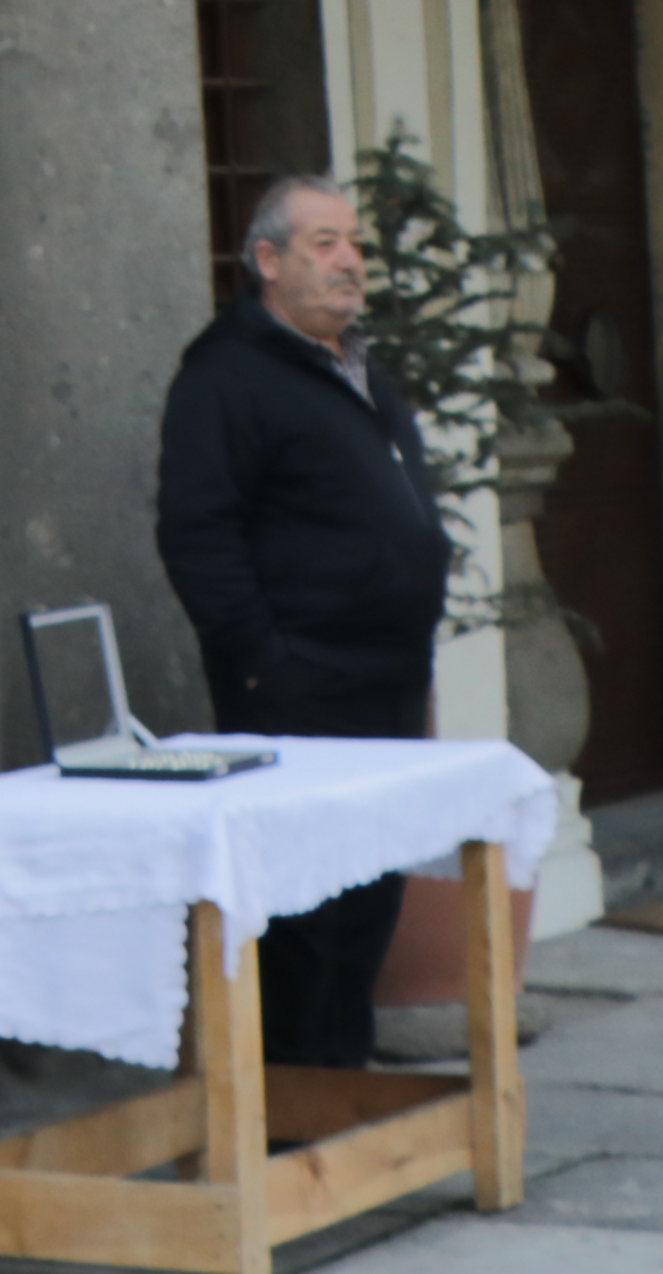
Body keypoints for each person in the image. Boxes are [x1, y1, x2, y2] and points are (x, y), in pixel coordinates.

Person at [151, 174, 454, 1070]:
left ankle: (340, 1085)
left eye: (354, 242)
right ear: (268, 261)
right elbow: (197, 532)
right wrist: (261, 664)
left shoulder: (356, 365)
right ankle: (286, 1108)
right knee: (305, 909)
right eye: (324, 242)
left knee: (367, 897)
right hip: (300, 683)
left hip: (385, 677)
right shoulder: (225, 375)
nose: (350, 260)